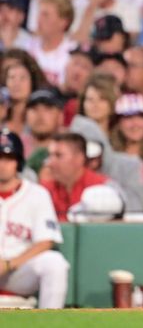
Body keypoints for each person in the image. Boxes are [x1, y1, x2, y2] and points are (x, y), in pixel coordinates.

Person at [0, 129, 69, 309]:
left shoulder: (37, 194)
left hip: (17, 270)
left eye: (8, 158)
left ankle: (50, 323)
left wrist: (9, 264)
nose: (2, 164)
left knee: (55, 263)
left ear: (19, 162)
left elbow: (46, 241)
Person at [39, 132, 110, 221]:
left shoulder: (104, 188)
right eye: (50, 155)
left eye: (58, 155)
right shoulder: (44, 190)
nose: (50, 163)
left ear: (79, 158)